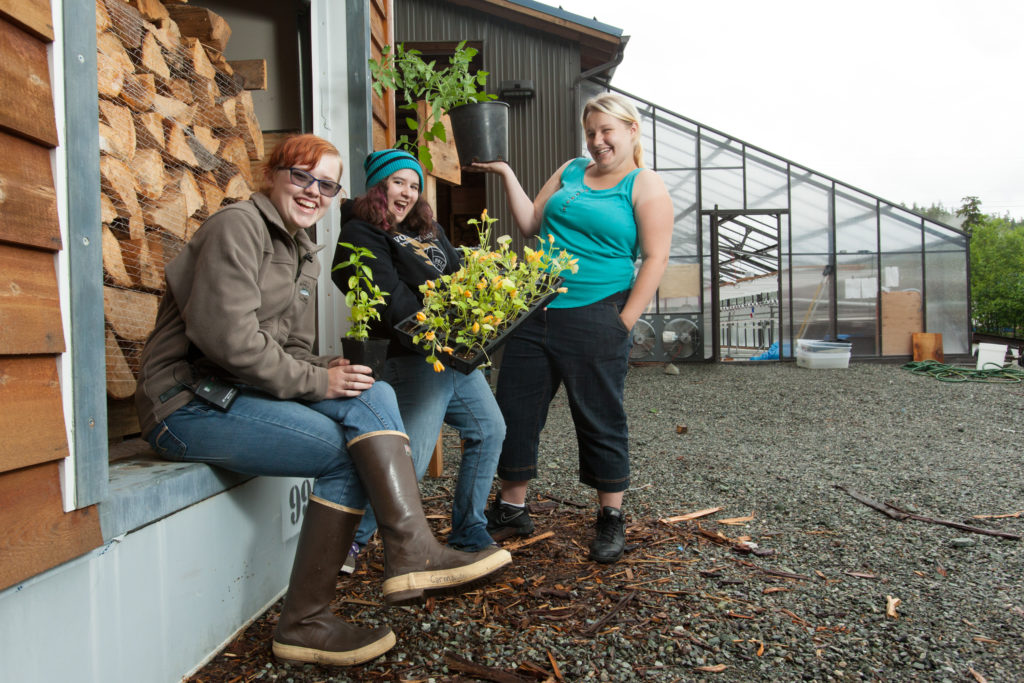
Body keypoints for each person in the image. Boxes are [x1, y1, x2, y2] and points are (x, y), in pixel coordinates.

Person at [134, 134, 511, 668]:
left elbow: (285, 350)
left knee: (372, 386)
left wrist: (325, 368)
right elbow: (228, 341)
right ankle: (317, 611)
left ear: (336, 193)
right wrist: (317, 383)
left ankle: (408, 551)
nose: (314, 191)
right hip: (186, 405)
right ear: (272, 173)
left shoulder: (300, 247)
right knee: (346, 450)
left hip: (239, 392)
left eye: (326, 184)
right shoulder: (237, 227)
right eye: (302, 176)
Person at [469, 92, 673, 564]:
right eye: (591, 133)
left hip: (597, 313)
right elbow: (529, 224)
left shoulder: (644, 185)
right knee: (515, 410)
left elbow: (656, 257)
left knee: (599, 416)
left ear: (631, 131)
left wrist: (622, 323)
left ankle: (610, 516)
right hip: (535, 309)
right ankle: (511, 506)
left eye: (607, 131)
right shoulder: (570, 171)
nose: (598, 141)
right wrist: (505, 171)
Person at [332, 148, 505, 560]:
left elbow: (457, 279)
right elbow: (394, 303)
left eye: (414, 184)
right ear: (379, 186)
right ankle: (352, 540)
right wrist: (439, 329)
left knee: (489, 430)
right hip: (413, 356)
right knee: (411, 455)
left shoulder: (427, 230)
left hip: (451, 354)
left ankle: (469, 530)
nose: (407, 192)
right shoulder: (362, 233)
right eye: (398, 182)